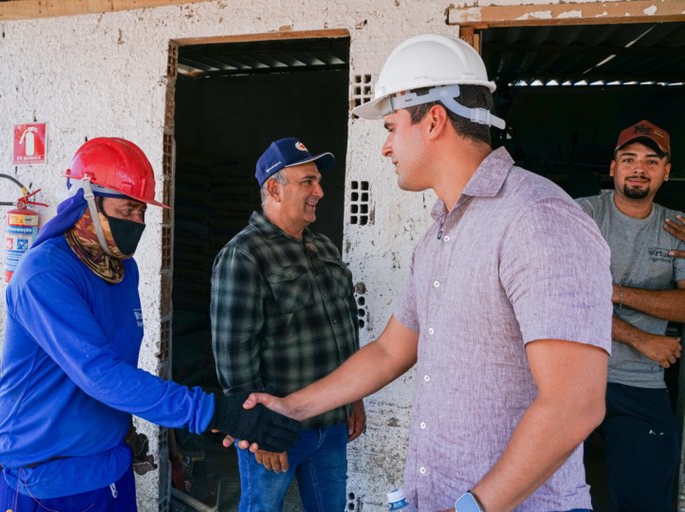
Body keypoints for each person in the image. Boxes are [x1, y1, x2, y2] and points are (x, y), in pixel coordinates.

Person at [240, 35, 613, 511]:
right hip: (435, 497)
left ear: (434, 119)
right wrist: (291, 408)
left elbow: (573, 404)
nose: (386, 147)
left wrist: (475, 506)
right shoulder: (439, 233)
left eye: (392, 127)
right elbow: (391, 350)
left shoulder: (537, 219)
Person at [0, 137, 299, 512]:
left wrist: (124, 431)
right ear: (87, 202)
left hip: (111, 466)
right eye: (127, 210)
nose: (138, 222)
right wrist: (214, 411)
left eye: (142, 212)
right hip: (49, 480)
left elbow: (119, 368)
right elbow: (99, 373)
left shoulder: (122, 270)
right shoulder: (45, 274)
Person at [210, 137, 366, 512]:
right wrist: (259, 430)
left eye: (318, 182)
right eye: (308, 181)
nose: (319, 191)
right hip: (276, 429)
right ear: (274, 188)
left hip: (330, 425)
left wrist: (355, 395)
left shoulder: (323, 248)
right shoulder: (243, 255)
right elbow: (234, 356)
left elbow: (344, 327)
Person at [576, 120, 685, 511]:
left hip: (641, 382)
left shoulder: (678, 227)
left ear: (666, 172)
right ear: (613, 168)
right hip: (570, 376)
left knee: (650, 495)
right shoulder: (581, 216)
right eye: (629, 159)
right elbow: (565, 303)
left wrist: (613, 292)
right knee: (543, 493)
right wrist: (642, 338)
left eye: (651, 161)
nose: (639, 168)